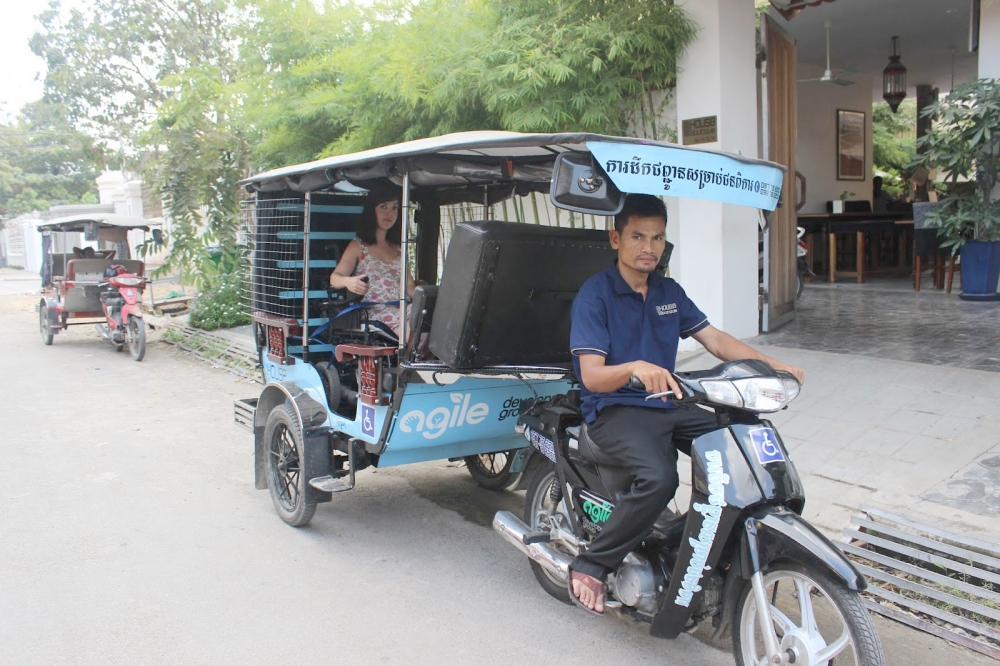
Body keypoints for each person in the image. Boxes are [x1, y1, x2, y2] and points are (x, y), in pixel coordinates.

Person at [568, 194, 805, 614]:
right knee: (660, 480)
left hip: (670, 403)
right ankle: (592, 562)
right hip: (615, 409)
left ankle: (719, 543)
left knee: (742, 445)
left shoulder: (668, 290)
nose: (649, 247)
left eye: (658, 237)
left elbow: (713, 339)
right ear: (615, 239)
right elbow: (592, 376)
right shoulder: (595, 295)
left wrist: (772, 364)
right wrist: (634, 368)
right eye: (638, 236)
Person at [329, 183, 415, 338]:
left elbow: (410, 288)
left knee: (432, 323)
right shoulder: (358, 246)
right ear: (371, 210)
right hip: (374, 313)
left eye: (395, 207)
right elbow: (335, 278)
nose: (390, 213)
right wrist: (348, 282)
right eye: (383, 206)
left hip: (403, 308)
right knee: (413, 333)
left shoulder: (399, 249)